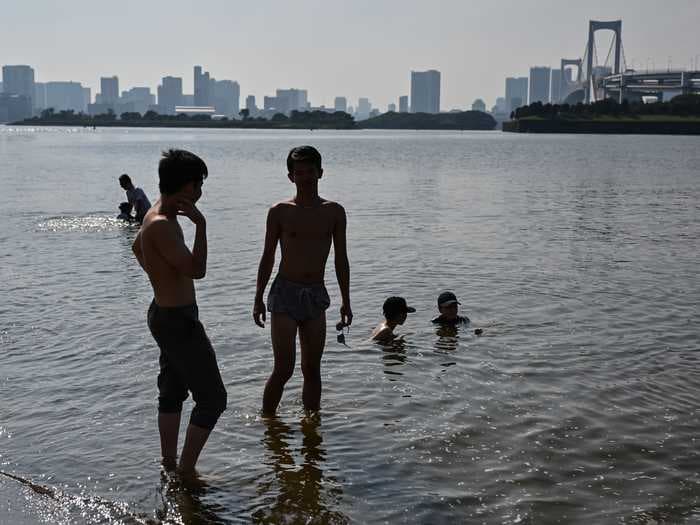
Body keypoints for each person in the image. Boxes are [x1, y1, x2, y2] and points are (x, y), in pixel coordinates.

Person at [132, 149, 226, 474]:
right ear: (185, 186)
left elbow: (136, 247)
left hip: (164, 312)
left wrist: (158, 275)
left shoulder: (155, 215)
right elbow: (198, 270)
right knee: (213, 399)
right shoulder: (163, 225)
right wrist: (201, 225)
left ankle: (169, 464)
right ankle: (186, 471)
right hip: (178, 320)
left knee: (172, 391)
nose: (200, 192)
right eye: (197, 185)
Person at [253, 145, 352, 416]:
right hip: (285, 293)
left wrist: (346, 301)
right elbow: (268, 257)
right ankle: (268, 423)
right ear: (290, 176)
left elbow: (341, 260)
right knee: (284, 368)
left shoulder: (334, 212)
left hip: (315, 294)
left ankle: (312, 426)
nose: (306, 178)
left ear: (321, 173)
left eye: (311, 172)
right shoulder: (280, 211)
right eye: (299, 173)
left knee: (312, 368)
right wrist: (258, 298)